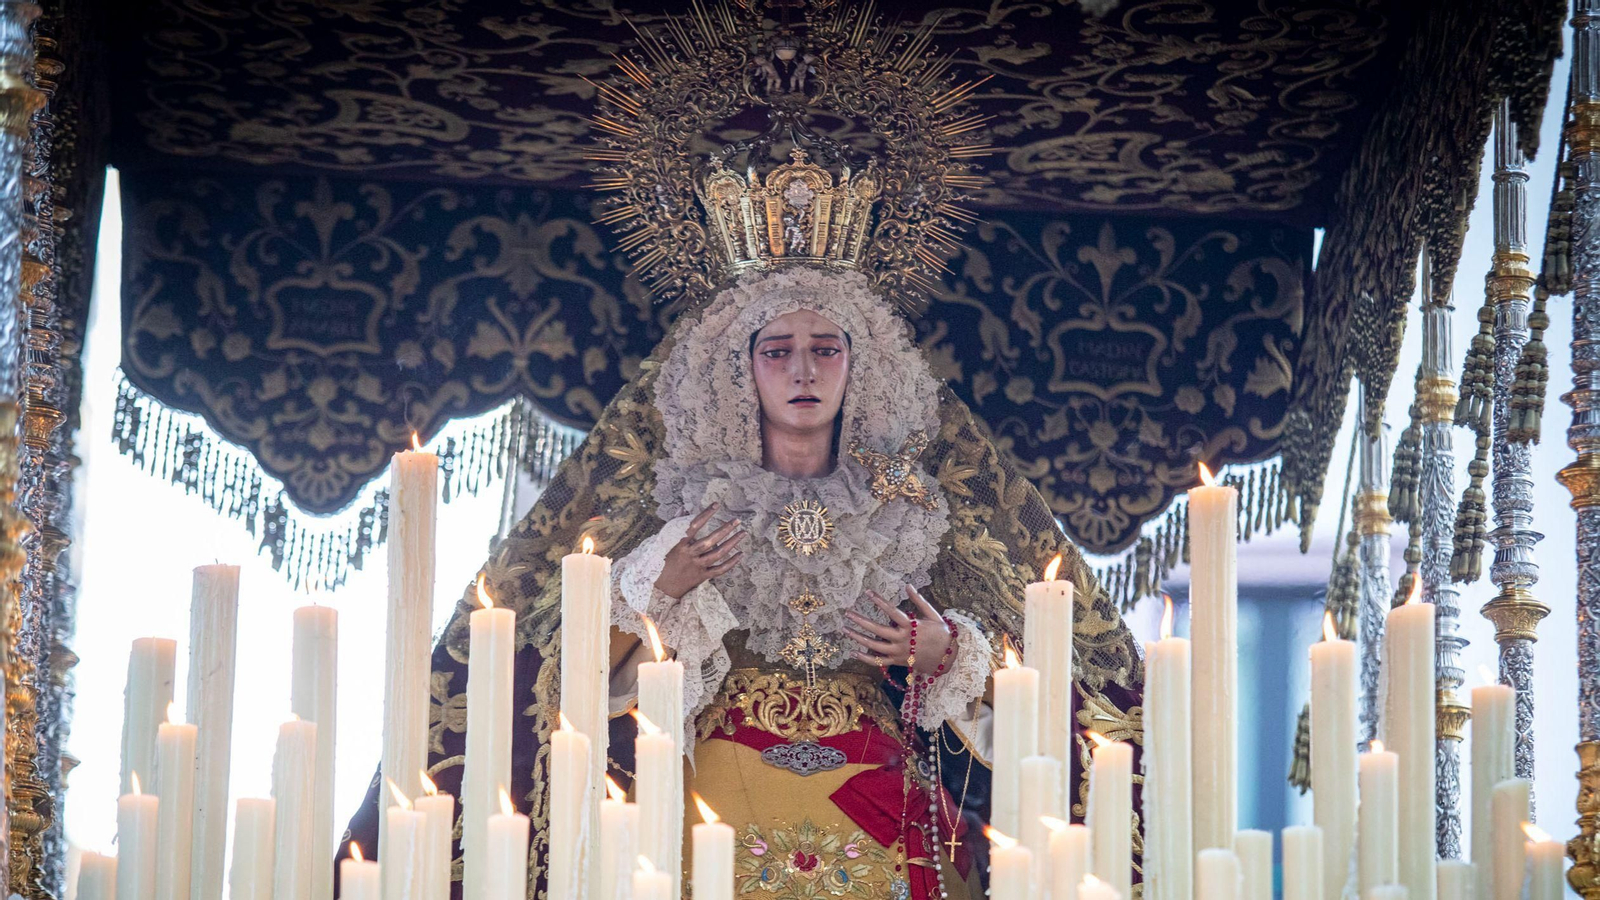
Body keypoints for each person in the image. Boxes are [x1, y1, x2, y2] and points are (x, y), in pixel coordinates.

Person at [336, 263, 1144, 900]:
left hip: (880, 810)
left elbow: (1053, 675)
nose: (803, 370)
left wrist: (947, 650)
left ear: (859, 367)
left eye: (826, 347)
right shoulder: (682, 516)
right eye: (777, 350)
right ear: (742, 370)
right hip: (710, 808)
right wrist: (659, 592)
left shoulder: (920, 513)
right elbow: (559, 678)